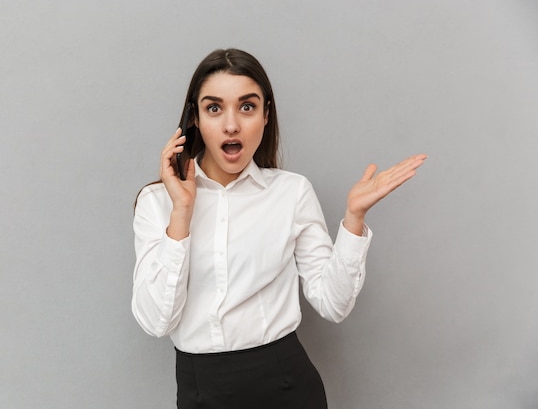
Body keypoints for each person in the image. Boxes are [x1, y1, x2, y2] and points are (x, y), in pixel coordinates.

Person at [132, 48, 427, 409]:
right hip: (200, 388)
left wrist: (353, 219)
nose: (231, 125)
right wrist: (181, 213)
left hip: (285, 386)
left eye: (247, 106)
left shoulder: (292, 192)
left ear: (266, 114)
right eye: (214, 108)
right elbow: (156, 322)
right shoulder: (157, 202)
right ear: (194, 118)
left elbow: (333, 304)